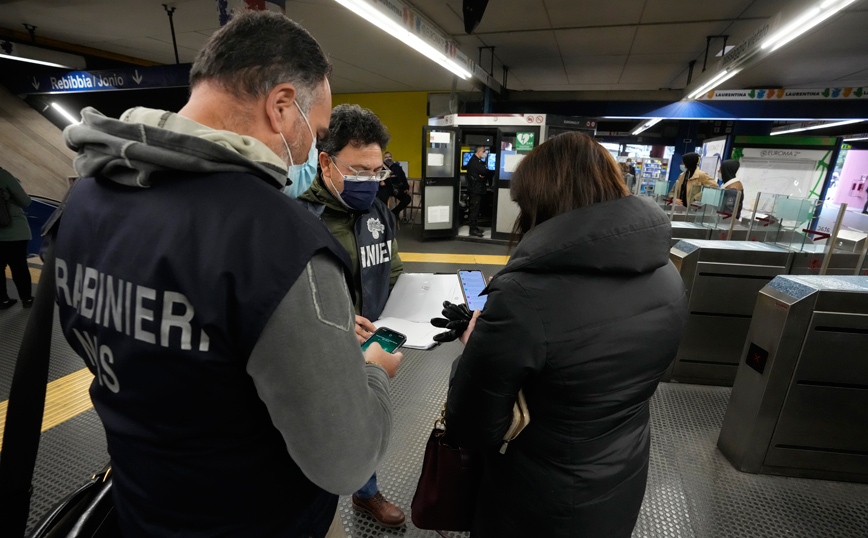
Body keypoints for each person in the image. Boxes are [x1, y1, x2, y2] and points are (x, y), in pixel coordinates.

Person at [54, 12, 401, 538]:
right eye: (319, 131)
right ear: (282, 106)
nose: (311, 150)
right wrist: (372, 369)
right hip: (260, 516)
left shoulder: (84, 202)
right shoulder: (278, 242)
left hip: (142, 505)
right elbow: (345, 462)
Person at [444, 132, 688, 538]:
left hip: (538, 499)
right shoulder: (666, 275)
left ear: (541, 205)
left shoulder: (523, 295)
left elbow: (471, 428)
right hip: (621, 476)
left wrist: (473, 348)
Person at [298, 104, 406, 527]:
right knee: (317, 426)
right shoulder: (303, 217)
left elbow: (392, 268)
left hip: (371, 340)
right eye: (359, 170)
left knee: (361, 418)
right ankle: (312, 507)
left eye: (377, 172)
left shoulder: (377, 212)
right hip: (319, 345)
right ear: (326, 162)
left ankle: (366, 493)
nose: (370, 182)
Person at [0, 165, 34, 309]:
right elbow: (25, 201)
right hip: (14, 230)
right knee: (19, 266)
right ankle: (26, 299)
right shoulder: (3, 175)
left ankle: (3, 300)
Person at [465, 146, 493, 237]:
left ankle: (474, 227)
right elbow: (484, 171)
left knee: (476, 209)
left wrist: (483, 174)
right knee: (474, 210)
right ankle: (472, 230)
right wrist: (483, 174)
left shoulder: (479, 161)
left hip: (478, 189)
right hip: (475, 190)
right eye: (484, 151)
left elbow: (485, 172)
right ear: (479, 152)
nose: (485, 153)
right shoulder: (474, 161)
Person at [377, 151, 411, 219]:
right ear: (383, 159)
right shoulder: (380, 168)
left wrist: (406, 187)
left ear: (392, 158)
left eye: (389, 157)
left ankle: (393, 213)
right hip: (385, 188)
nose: (388, 159)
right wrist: (380, 183)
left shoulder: (397, 167)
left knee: (407, 198)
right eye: (386, 157)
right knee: (381, 199)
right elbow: (376, 179)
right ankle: (384, 217)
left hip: (396, 188)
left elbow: (403, 178)